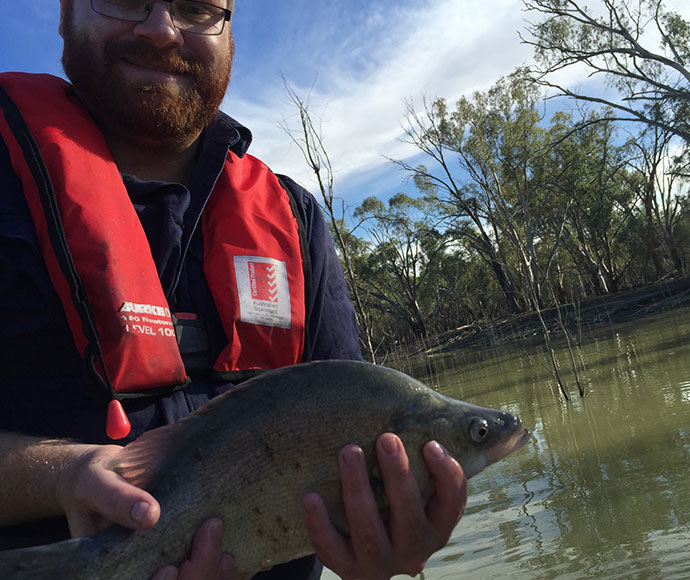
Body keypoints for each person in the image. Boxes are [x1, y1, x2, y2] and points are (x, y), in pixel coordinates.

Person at [0, 0, 468, 578]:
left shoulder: (294, 219)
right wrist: (55, 476)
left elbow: (354, 441)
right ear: (67, 13)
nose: (161, 29)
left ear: (229, 32)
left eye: (196, 6)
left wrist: (387, 543)